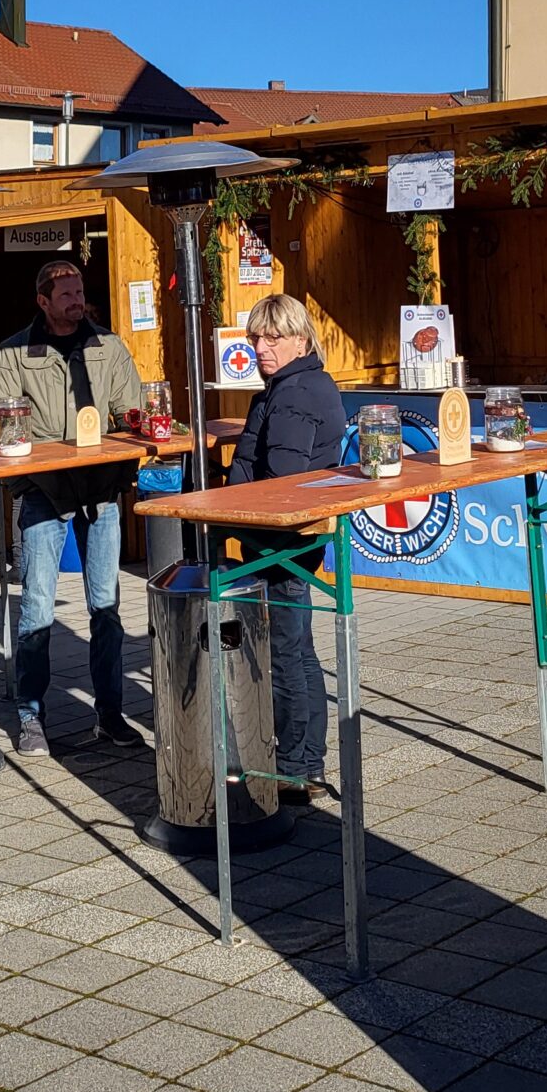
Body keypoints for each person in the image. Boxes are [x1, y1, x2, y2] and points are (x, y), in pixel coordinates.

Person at [0, 259, 145, 757]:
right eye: (65, 294)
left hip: (102, 491)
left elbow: (129, 412)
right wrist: (35, 462)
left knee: (106, 608)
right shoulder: (12, 353)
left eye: (79, 292)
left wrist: (134, 431)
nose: (76, 300)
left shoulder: (108, 345)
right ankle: (30, 716)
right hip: (45, 493)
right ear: (43, 301)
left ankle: (110, 714)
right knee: (36, 611)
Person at [227, 294, 346, 805]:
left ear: (300, 339)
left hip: (279, 541)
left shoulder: (294, 391)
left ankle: (296, 767)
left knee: (285, 653)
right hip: (284, 540)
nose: (261, 347)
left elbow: (283, 479)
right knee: (295, 649)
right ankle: (299, 761)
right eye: (256, 337)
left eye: (273, 337)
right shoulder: (296, 384)